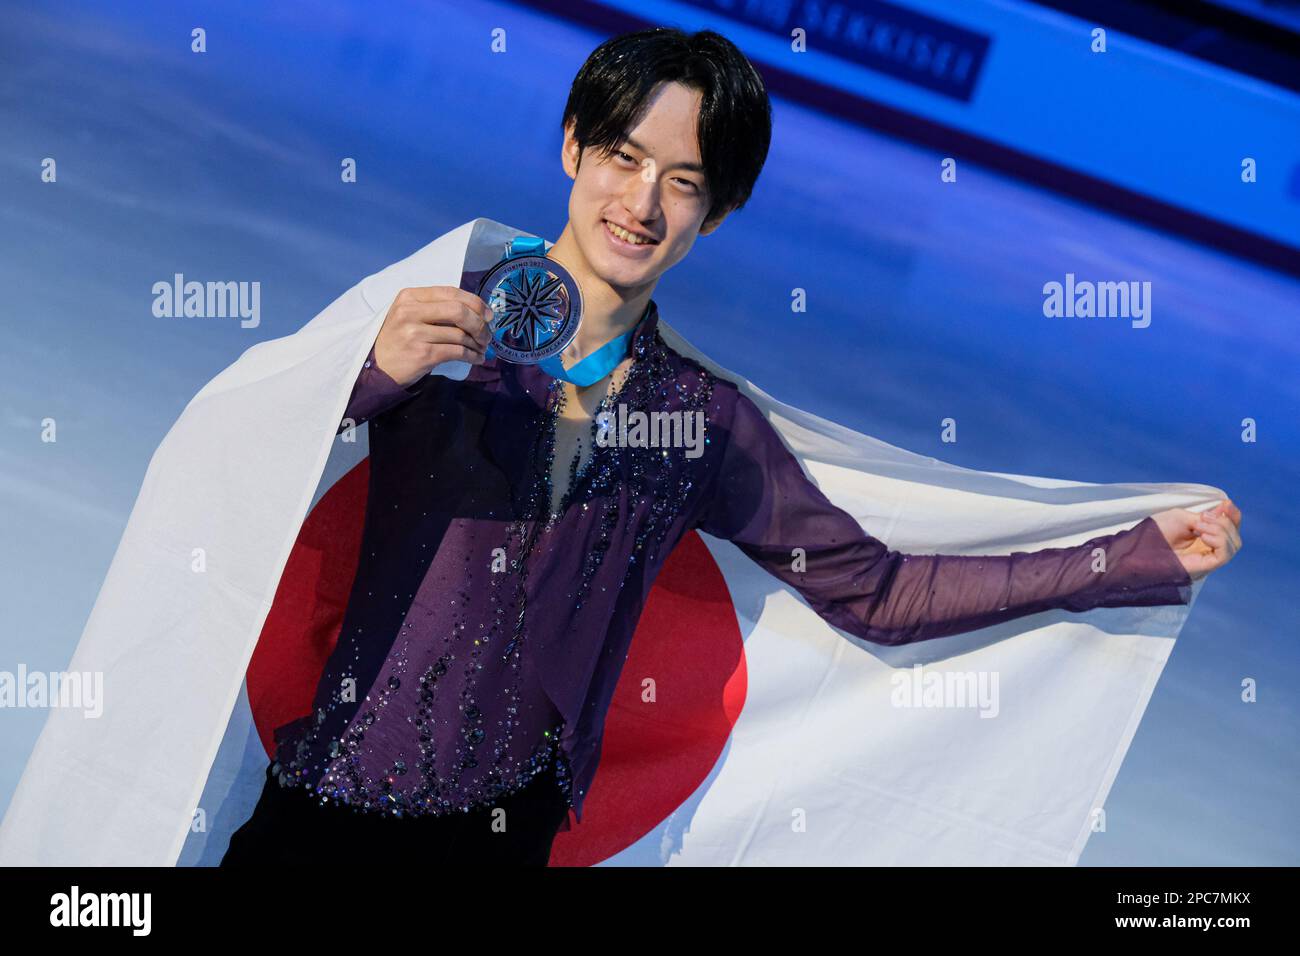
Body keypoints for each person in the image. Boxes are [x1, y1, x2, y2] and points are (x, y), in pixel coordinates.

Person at [219, 27, 1242, 867]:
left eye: (683, 181)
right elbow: (242, 444)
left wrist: (1127, 555)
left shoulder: (700, 421)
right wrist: (369, 373)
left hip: (504, 840)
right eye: (624, 157)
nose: (642, 203)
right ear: (572, 145)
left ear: (716, 212)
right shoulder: (443, 324)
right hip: (321, 812)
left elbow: (878, 592)